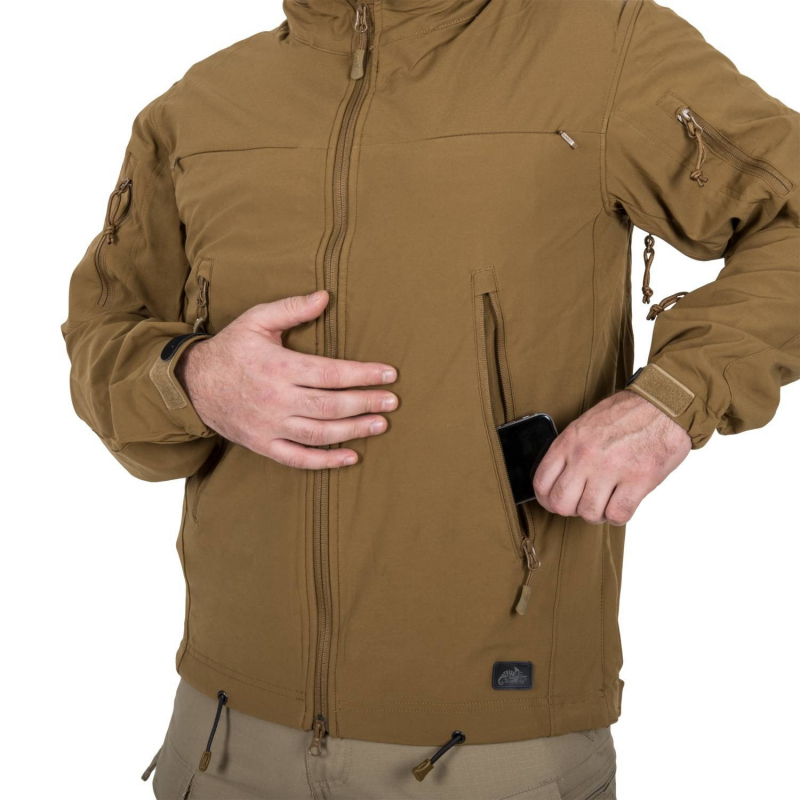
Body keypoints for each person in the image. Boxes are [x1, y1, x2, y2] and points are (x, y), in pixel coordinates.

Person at [62, 1, 799, 797]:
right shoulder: (200, 108)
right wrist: (193, 379)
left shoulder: (605, 48)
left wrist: (674, 397)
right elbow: (105, 333)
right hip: (223, 739)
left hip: (493, 746)